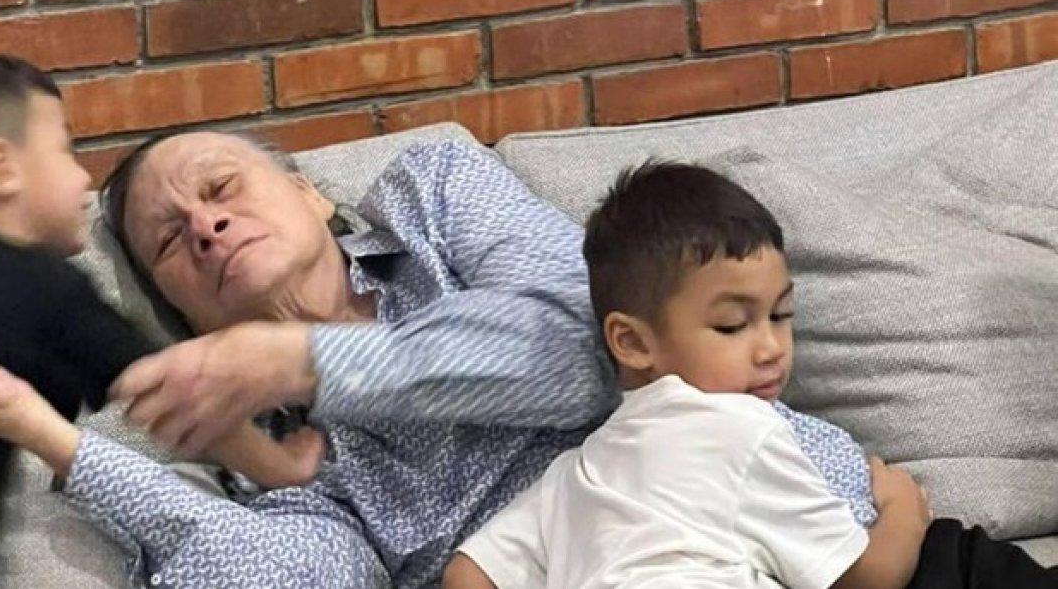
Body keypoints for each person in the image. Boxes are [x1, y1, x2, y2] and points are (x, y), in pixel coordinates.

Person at [0, 130, 617, 587]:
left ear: (308, 193)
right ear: (185, 317)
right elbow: (287, 575)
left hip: (657, 506)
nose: (206, 225)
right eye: (170, 240)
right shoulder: (274, 455)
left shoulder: (432, 194)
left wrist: (308, 358)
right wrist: (41, 430)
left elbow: (595, 343)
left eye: (221, 187)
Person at [444, 162, 1058, 588]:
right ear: (631, 342)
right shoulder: (742, 429)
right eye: (732, 326)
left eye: (781, 316)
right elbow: (868, 578)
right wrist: (903, 508)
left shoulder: (575, 473)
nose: (771, 348)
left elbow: (467, 573)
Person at [0, 49, 322, 589]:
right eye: (64, 149)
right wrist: (279, 466)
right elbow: (178, 391)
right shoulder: (42, 286)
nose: (82, 176)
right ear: (0, 169)